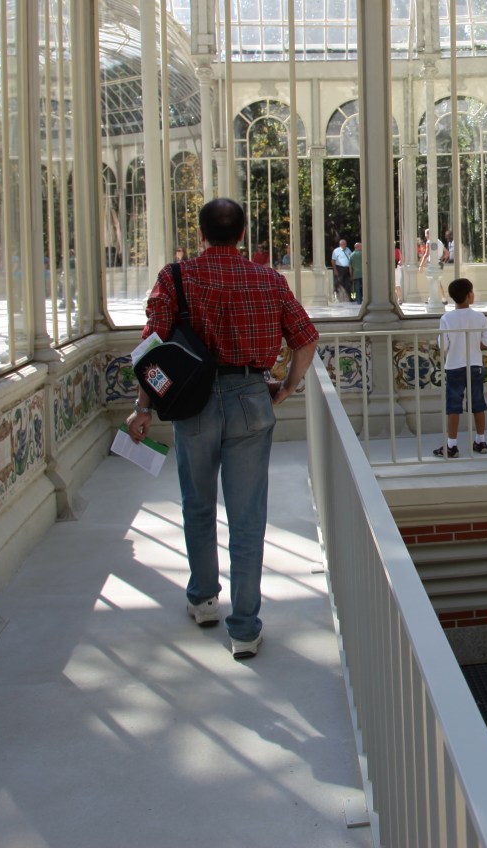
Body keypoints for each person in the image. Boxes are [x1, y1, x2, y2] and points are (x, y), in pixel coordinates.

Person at [126, 199, 318, 660]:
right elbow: (306, 339)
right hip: (251, 397)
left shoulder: (177, 277)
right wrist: (286, 387)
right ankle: (245, 629)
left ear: (202, 232)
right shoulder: (268, 278)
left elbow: (150, 348)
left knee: (197, 504)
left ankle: (205, 599)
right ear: (243, 233)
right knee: (248, 518)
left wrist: (143, 408)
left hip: (193, 404)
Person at [434, 277, 487, 457]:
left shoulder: (447, 318)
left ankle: (452, 445)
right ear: (468, 296)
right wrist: (473, 345)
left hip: (454, 365)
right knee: (478, 403)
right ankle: (481, 441)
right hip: (474, 364)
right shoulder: (479, 317)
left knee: (453, 405)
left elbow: (442, 345)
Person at [331, 237, 353, 302]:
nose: (344, 245)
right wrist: (335, 270)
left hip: (347, 268)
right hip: (339, 268)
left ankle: (349, 298)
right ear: (340, 244)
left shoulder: (348, 250)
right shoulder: (336, 251)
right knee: (339, 284)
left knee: (348, 284)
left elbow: (350, 260)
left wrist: (350, 270)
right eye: (343, 244)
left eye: (345, 244)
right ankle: (339, 299)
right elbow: (333, 261)